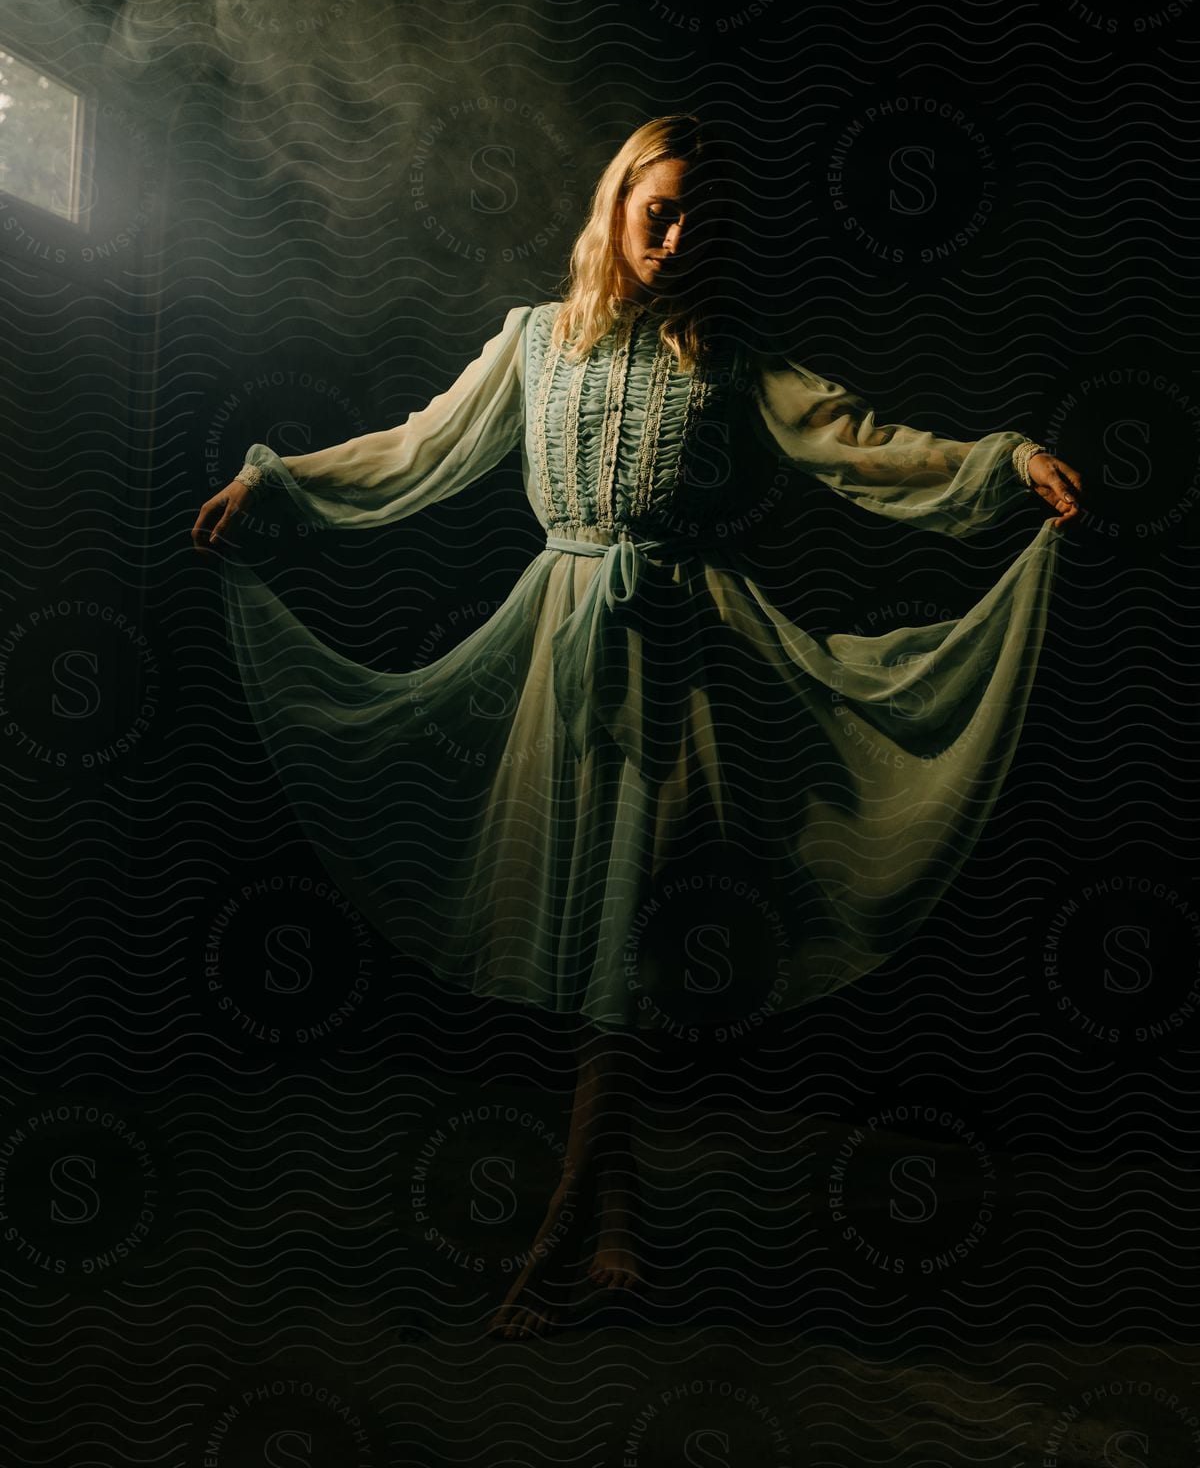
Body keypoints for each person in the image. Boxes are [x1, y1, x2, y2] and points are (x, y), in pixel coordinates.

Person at [192, 113, 1083, 1338]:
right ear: (614, 207)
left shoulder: (727, 352)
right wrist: (276, 477)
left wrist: (1003, 461)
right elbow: (418, 447)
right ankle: (618, 1221)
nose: (673, 237)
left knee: (631, 941)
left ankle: (558, 1232)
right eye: (655, 211)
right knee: (593, 928)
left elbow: (860, 443)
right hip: (560, 646)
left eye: (697, 221)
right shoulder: (535, 344)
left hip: (689, 656)